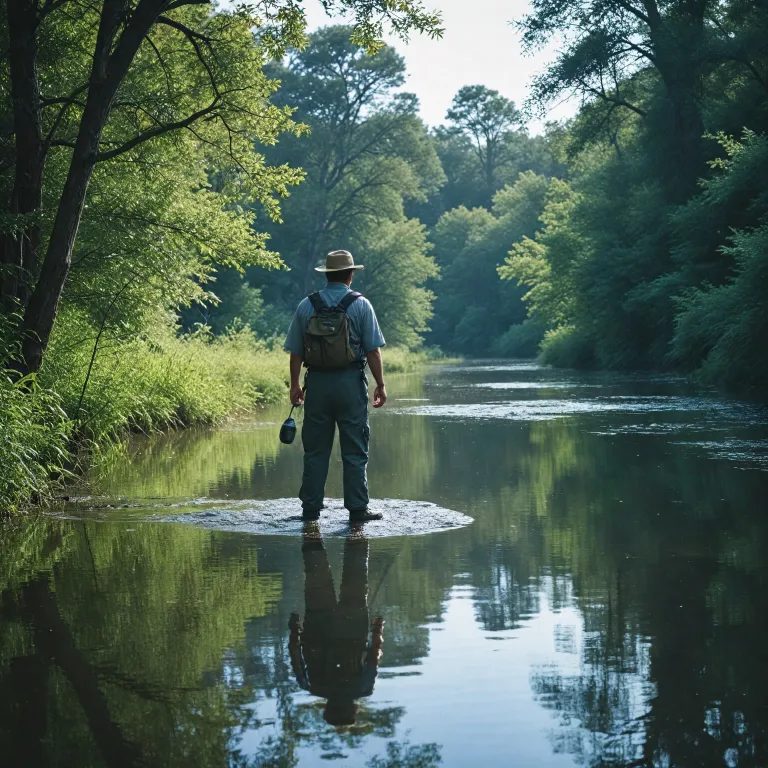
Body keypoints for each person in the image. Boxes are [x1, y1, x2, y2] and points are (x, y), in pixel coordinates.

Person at [284, 249, 387, 523]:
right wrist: (380, 384)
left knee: (315, 449)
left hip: (316, 385)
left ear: (328, 274)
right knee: (354, 448)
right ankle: (357, 509)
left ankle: (310, 509)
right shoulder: (361, 304)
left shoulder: (307, 306)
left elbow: (295, 352)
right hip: (350, 384)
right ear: (350, 275)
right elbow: (373, 351)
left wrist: (295, 385)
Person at [288, 523, 385, 727]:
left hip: (354, 625)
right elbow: (295, 654)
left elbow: (374, 654)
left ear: (352, 708)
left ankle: (356, 530)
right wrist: (294, 630)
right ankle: (312, 529)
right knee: (315, 569)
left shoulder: (363, 688)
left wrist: (378, 629)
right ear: (327, 707)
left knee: (356, 572)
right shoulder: (310, 686)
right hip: (318, 623)